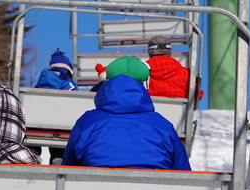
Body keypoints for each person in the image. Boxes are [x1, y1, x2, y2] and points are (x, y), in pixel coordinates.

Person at [62, 56, 191, 170]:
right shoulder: (163, 126)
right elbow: (184, 175)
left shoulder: (86, 123)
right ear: (145, 84)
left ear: (107, 82)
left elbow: (67, 171)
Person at [32, 49, 77, 163]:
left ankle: (32, 158)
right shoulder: (69, 84)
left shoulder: (40, 82)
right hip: (60, 127)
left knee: (32, 143)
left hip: (36, 127)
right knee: (60, 146)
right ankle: (57, 159)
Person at [145, 35, 203, 101]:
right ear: (169, 51)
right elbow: (197, 95)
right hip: (179, 111)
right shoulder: (187, 74)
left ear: (150, 51)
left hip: (148, 110)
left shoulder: (141, 73)